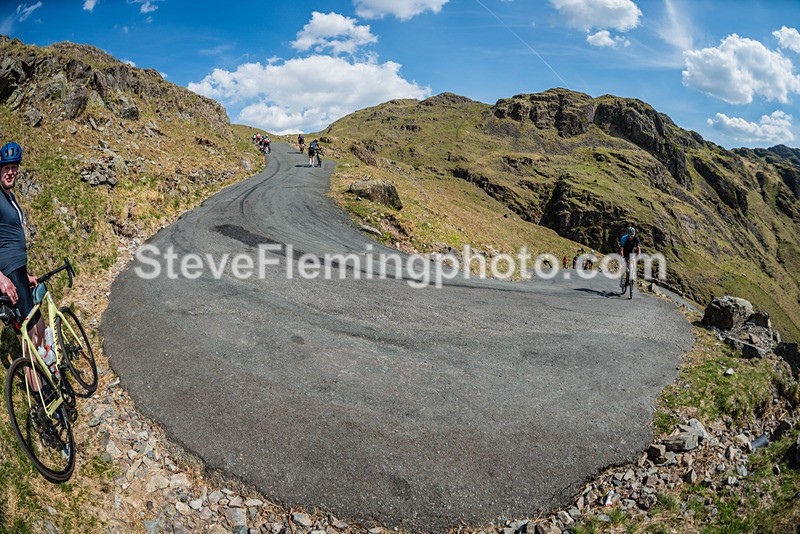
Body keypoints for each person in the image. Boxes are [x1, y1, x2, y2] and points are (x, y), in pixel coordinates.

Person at [0, 142, 44, 349]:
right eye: (6, 168)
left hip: (17, 270)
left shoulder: (10, 197)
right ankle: (36, 381)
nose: (11, 172)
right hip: (7, 273)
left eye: (14, 168)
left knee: (37, 325)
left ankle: (47, 376)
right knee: (27, 334)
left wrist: (24, 276)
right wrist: (1, 278)